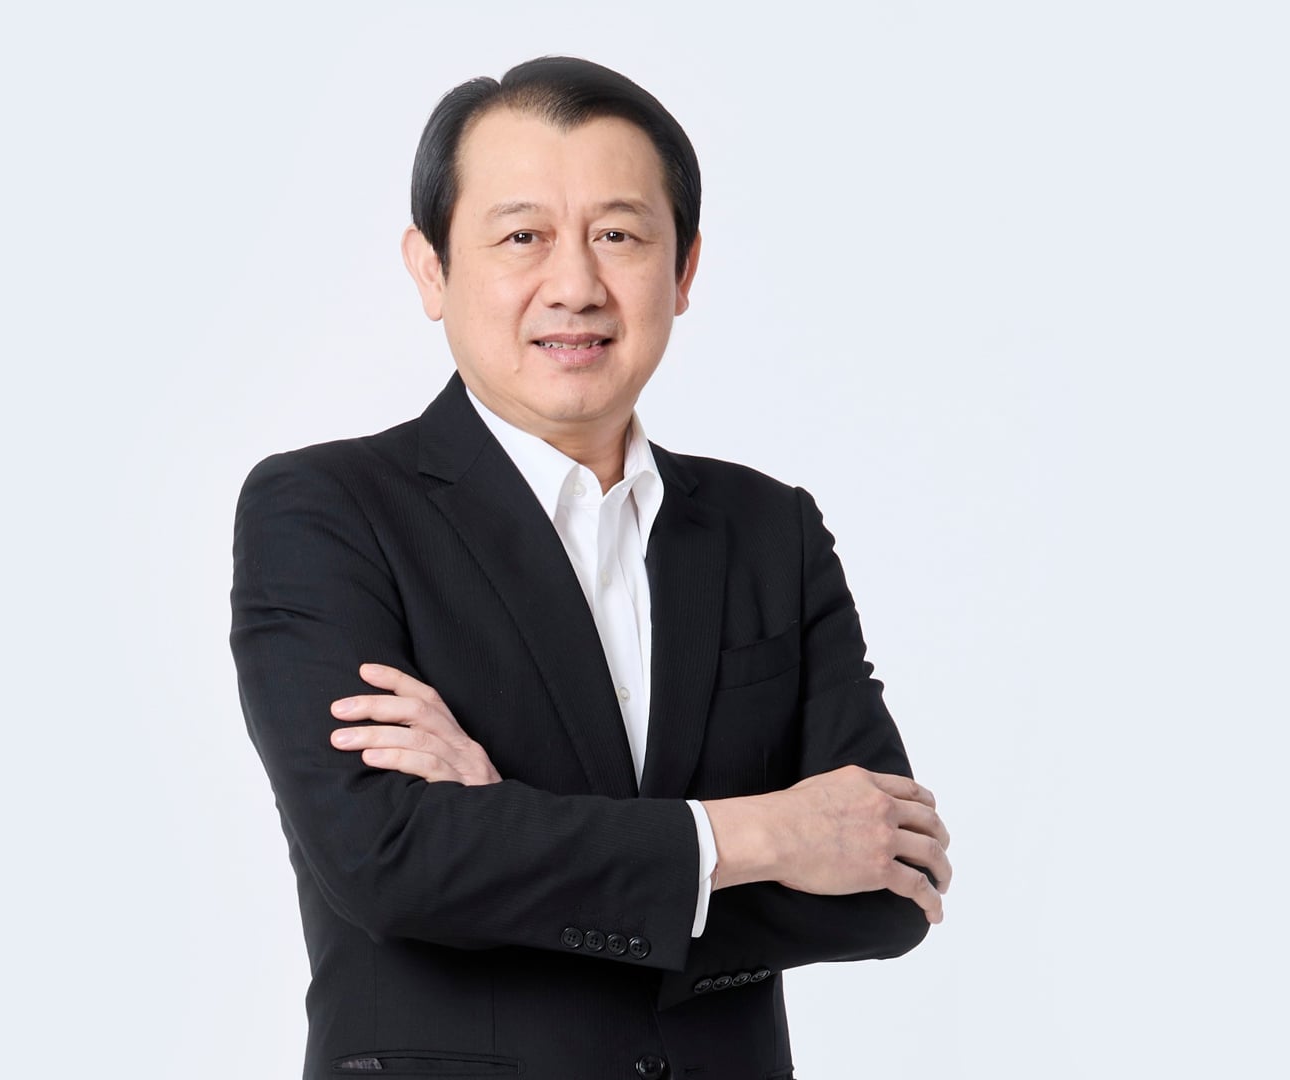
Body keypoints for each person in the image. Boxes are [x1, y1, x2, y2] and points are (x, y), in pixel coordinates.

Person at [231, 56, 952, 1080]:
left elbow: (891, 885)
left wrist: (504, 830)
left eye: (618, 235)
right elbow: (387, 861)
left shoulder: (768, 531)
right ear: (431, 269)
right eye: (522, 237)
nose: (574, 285)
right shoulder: (327, 511)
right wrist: (762, 836)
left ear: (684, 270)